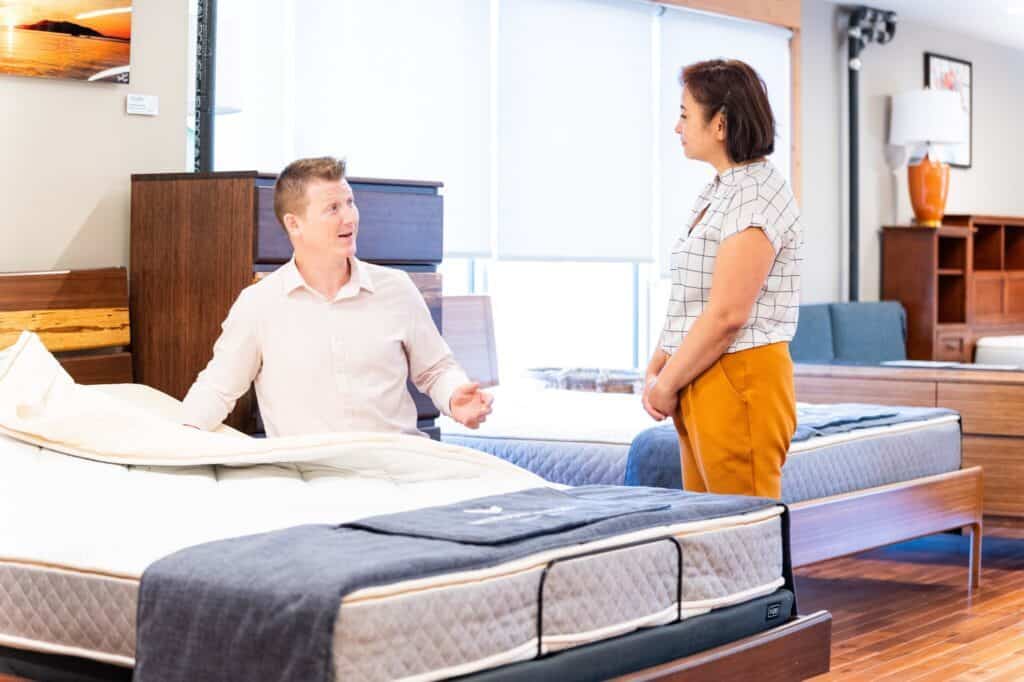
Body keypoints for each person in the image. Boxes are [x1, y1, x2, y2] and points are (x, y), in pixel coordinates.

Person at [181, 156, 491, 437]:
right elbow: (218, 388)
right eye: (333, 208)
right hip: (312, 470)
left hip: (396, 462)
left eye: (350, 203)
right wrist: (183, 434)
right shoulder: (258, 304)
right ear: (294, 224)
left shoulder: (396, 288)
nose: (349, 218)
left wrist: (455, 396)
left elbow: (436, 369)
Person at [642, 59, 803, 499]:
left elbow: (728, 314)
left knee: (742, 532)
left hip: (739, 376)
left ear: (720, 124)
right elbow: (693, 296)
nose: (677, 127)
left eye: (684, 114)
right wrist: (660, 362)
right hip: (703, 373)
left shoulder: (756, 193)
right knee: (709, 530)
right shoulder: (723, 188)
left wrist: (666, 382)